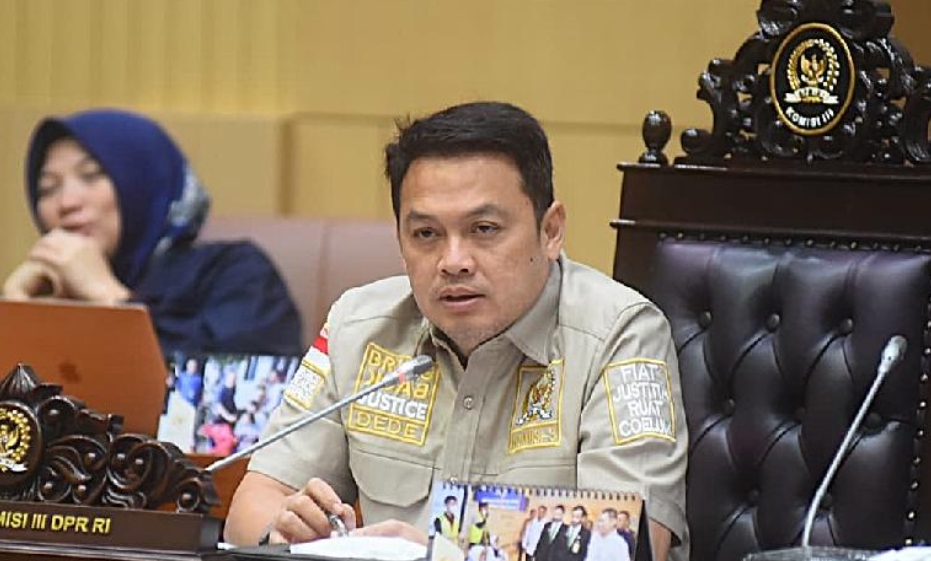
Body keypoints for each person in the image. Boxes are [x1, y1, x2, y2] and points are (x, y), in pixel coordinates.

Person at [224, 101, 688, 561]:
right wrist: (285, 531)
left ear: (550, 231)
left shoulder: (619, 335)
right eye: (426, 234)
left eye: (484, 229)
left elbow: (624, 545)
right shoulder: (358, 327)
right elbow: (254, 503)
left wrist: (441, 555)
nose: (453, 262)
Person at [3, 109, 303, 355]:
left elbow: (233, 393)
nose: (66, 203)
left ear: (143, 185)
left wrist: (108, 296)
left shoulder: (235, 272)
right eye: (48, 188)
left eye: (91, 176)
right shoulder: (47, 289)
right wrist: (15, 316)